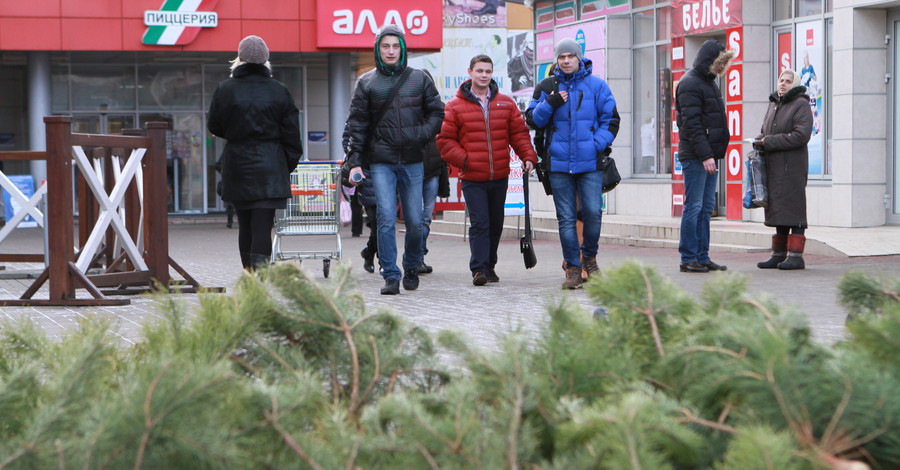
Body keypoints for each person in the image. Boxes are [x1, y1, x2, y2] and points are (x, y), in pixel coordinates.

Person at [345, 25, 444, 295]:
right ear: (378, 49)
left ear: (402, 49)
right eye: (385, 46)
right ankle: (390, 274)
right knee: (385, 218)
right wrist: (354, 160)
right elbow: (358, 125)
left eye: (395, 46)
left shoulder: (419, 79)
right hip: (381, 161)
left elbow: (437, 113)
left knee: (414, 220)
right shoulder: (367, 82)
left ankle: (411, 264)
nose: (390, 51)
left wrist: (420, 134)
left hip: (413, 159)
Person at [525, 38, 619, 289]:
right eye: (561, 57)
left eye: (570, 56)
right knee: (566, 218)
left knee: (592, 213)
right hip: (558, 165)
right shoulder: (546, 86)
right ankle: (573, 268)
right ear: (556, 60)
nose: (566, 60)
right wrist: (550, 102)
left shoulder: (597, 86)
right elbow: (533, 120)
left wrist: (595, 144)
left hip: (589, 163)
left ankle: (589, 257)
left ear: (579, 58)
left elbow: (611, 120)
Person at [437, 54, 538, 286]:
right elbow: (444, 141)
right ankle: (479, 268)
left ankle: (490, 264)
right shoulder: (454, 106)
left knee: (496, 223)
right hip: (472, 176)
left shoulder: (505, 103)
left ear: (492, 74)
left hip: (500, 175)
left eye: (488, 71)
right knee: (480, 222)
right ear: (470, 72)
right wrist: (466, 160)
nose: (484, 75)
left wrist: (529, 157)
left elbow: (519, 134)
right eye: (479, 71)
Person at [207, 35, 302, 270]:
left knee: (245, 224)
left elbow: (214, 126)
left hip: (238, 164)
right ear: (266, 60)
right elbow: (292, 135)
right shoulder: (280, 91)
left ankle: (249, 275)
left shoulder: (225, 89)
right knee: (262, 225)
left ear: (239, 58)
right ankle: (260, 278)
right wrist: (283, 164)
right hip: (270, 164)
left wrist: (236, 135)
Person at [674, 40, 734, 273]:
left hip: (708, 155)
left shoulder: (708, 82)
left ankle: (702, 256)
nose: (721, 69)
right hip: (697, 156)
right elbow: (692, 125)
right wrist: (707, 155)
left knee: (706, 206)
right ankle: (688, 257)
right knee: (694, 206)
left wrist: (712, 154)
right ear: (710, 61)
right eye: (720, 63)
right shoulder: (690, 83)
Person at [753, 69, 813, 270]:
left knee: (793, 209)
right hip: (774, 167)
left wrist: (768, 141)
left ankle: (796, 256)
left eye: (788, 81)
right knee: (778, 208)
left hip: (792, 168)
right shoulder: (774, 104)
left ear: (794, 84)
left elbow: (801, 136)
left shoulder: (801, 105)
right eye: (781, 80)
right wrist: (759, 140)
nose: (783, 84)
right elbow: (765, 130)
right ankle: (778, 254)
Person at [419, 69, 449, 275]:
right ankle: (414, 256)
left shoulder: (439, 110)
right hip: (410, 171)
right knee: (415, 217)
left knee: (425, 217)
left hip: (432, 171)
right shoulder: (405, 108)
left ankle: (418, 256)